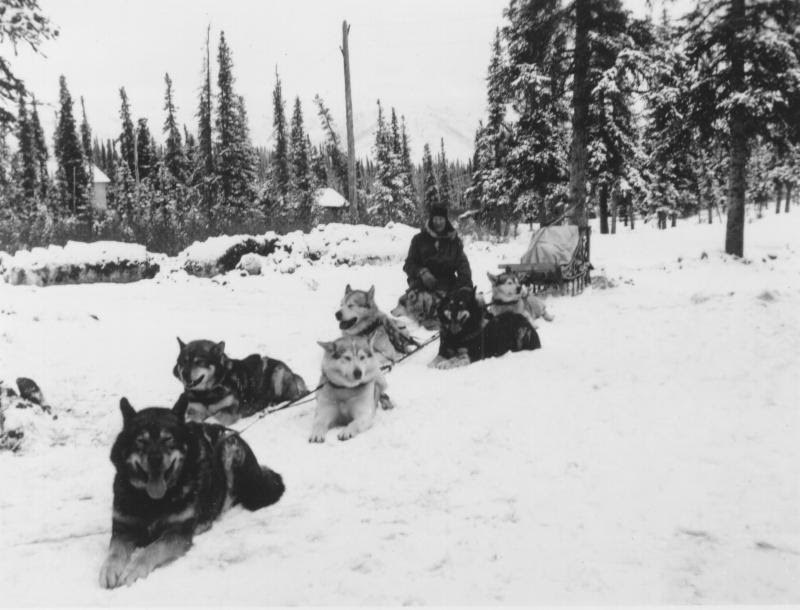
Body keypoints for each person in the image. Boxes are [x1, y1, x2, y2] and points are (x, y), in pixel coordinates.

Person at [403, 204, 472, 293]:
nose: (438, 222)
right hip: (422, 286)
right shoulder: (419, 239)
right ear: (431, 220)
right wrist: (422, 272)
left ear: (446, 220)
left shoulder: (454, 241)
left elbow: (463, 266)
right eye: (435, 219)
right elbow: (409, 264)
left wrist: (463, 286)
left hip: (449, 287)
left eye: (441, 219)